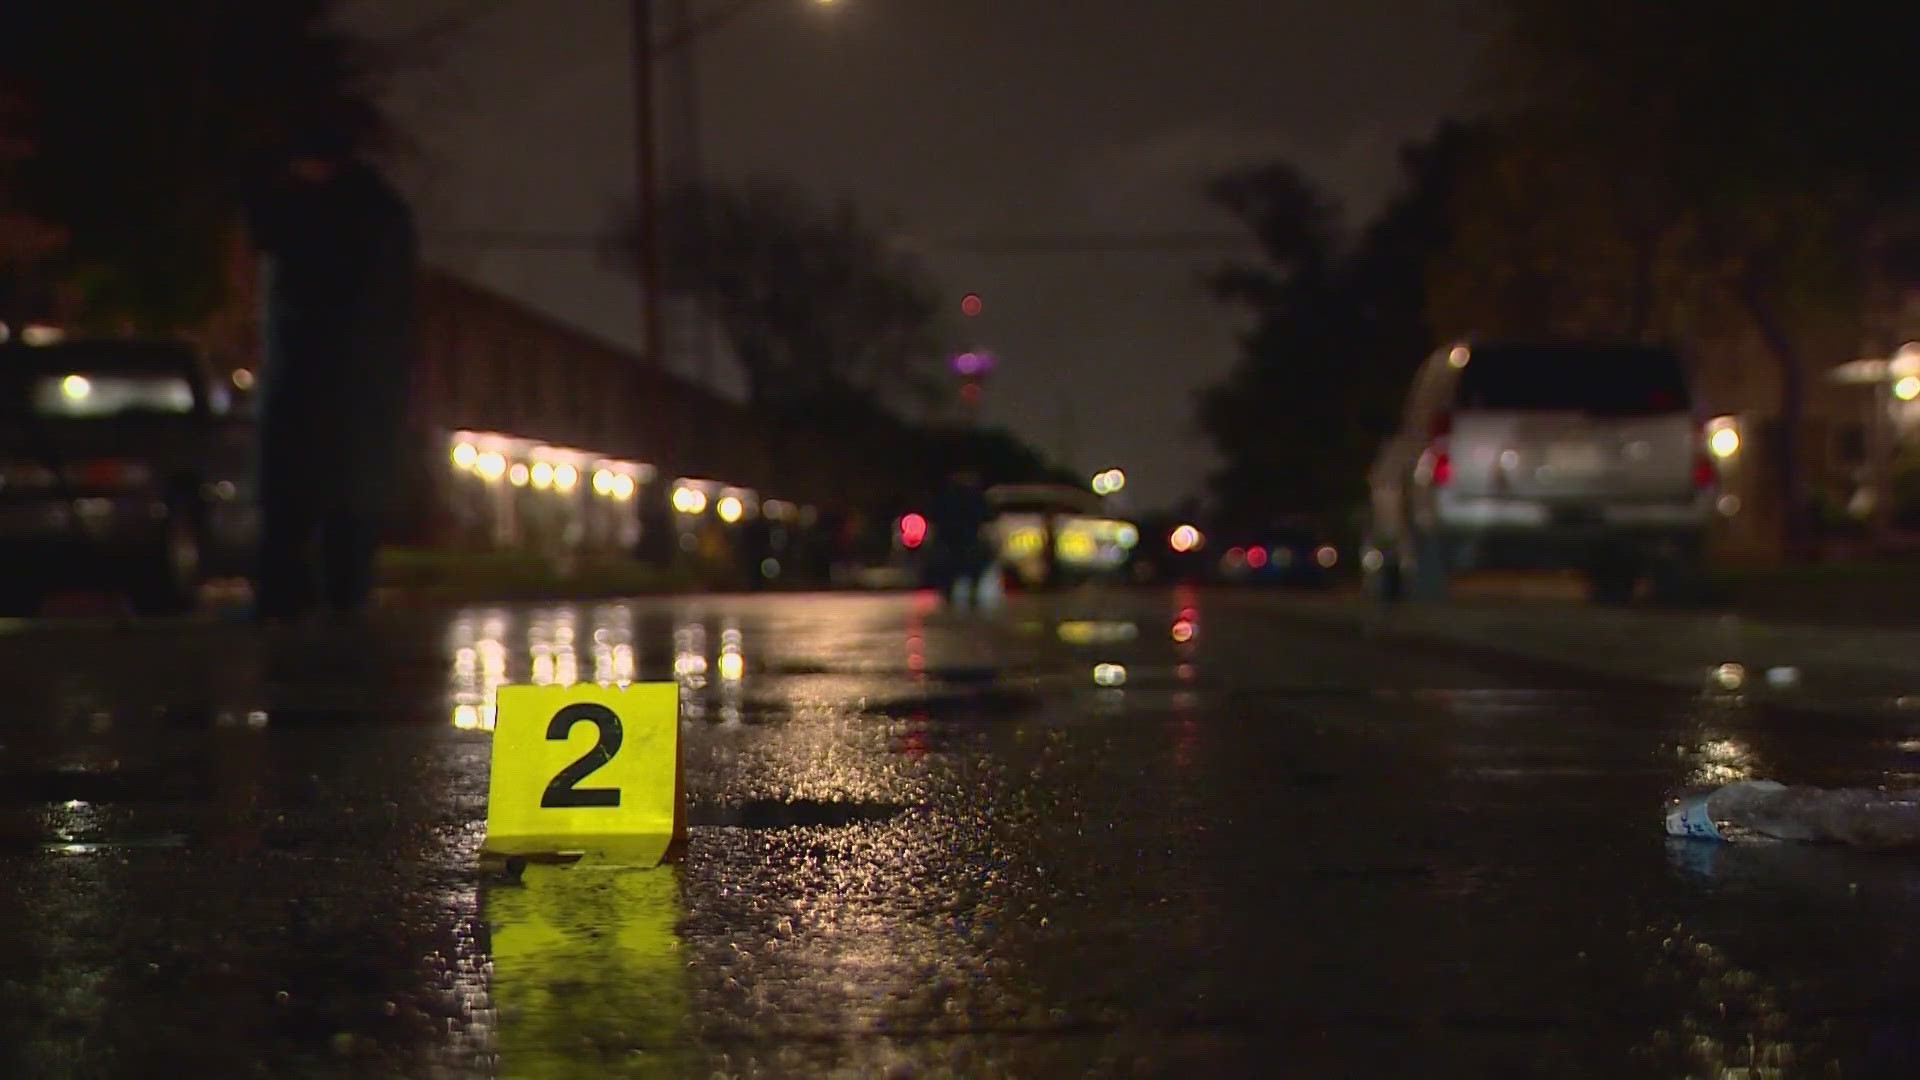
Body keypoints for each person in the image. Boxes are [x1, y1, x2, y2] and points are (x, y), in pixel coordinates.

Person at [244, 121, 418, 627]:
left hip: (317, 378)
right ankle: (342, 599)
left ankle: (291, 599)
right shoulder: (381, 212)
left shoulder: (328, 213)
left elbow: (274, 236)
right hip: (362, 384)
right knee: (349, 497)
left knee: (300, 492)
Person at [929, 469, 997, 612]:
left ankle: (956, 594)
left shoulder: (954, 497)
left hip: (960, 538)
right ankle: (958, 594)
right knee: (959, 567)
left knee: (961, 567)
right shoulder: (960, 497)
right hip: (957, 539)